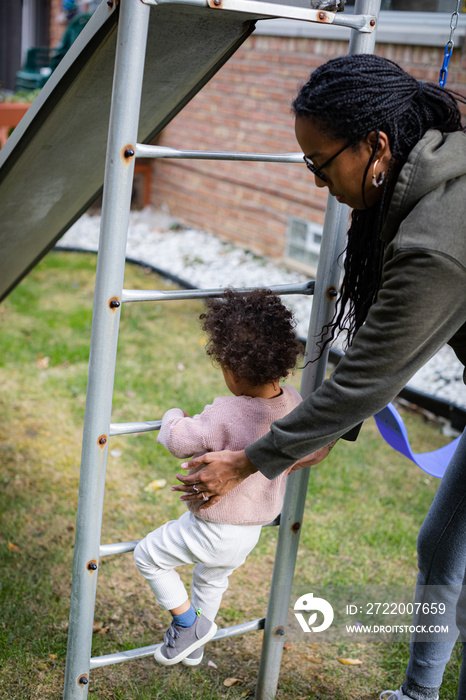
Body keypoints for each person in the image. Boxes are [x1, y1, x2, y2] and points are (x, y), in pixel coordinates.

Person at [173, 54, 466, 699]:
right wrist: (322, 431)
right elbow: (381, 355)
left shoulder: (439, 240)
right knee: (443, 544)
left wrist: (252, 458)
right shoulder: (432, 181)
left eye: (319, 163)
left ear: (376, 145)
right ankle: (419, 695)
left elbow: (370, 374)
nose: (314, 182)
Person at [133, 289, 302, 666]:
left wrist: (172, 414)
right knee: (211, 580)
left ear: (232, 369)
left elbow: (177, 440)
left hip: (214, 527)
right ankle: (194, 646)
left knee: (148, 556)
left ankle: (188, 623)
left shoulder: (227, 411)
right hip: (251, 531)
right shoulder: (293, 403)